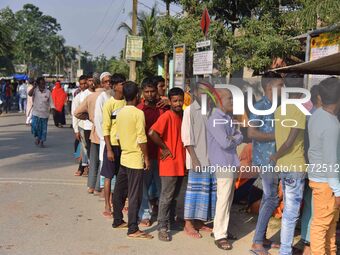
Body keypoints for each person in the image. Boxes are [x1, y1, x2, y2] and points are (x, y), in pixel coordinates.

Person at [270, 73, 307, 255]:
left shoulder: (280, 109)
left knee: (288, 210)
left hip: (284, 166)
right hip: (295, 166)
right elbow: (289, 142)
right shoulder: (299, 111)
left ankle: (285, 248)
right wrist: (276, 155)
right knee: (292, 212)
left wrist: (277, 157)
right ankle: (285, 250)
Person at [112, 81, 153, 239]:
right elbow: (142, 138)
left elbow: (118, 136)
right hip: (135, 158)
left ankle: (117, 220)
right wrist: (147, 158)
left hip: (124, 156)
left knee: (120, 190)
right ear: (138, 95)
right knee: (134, 194)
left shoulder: (120, 112)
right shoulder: (138, 113)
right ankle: (133, 228)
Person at [249, 71, 284, 255]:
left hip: (275, 159)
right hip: (265, 160)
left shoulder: (277, 106)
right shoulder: (260, 105)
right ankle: (256, 243)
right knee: (271, 198)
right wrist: (276, 136)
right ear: (270, 87)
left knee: (267, 198)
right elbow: (252, 133)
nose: (283, 88)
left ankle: (261, 237)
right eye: (280, 85)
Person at [206, 88, 243, 250]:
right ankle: (220, 234)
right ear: (220, 101)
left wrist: (234, 137)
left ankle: (221, 229)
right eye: (230, 99)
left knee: (227, 198)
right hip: (222, 162)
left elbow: (240, 135)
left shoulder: (227, 117)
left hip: (230, 161)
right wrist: (235, 137)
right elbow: (225, 142)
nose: (232, 102)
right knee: (223, 198)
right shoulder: (215, 118)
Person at [308, 77, 340, 255]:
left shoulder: (317, 115)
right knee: (322, 226)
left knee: (329, 226)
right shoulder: (331, 124)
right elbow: (331, 161)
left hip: (319, 178)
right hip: (327, 183)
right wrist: (338, 191)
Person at [149, 87, 186, 242]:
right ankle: (162, 227)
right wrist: (164, 148)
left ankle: (171, 221)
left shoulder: (183, 115)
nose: (178, 103)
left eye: (180, 100)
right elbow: (152, 133)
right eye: (175, 101)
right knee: (166, 196)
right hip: (170, 163)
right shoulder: (167, 116)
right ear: (169, 101)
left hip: (180, 163)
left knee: (174, 196)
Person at [181, 82, 216, 238]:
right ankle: (188, 224)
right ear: (194, 93)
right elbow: (187, 138)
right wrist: (194, 160)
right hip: (197, 159)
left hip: (210, 159)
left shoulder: (210, 111)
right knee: (193, 193)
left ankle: (199, 222)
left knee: (206, 192)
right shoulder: (189, 111)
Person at [137, 78, 166, 226]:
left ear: (156, 92)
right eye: (147, 92)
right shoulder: (139, 109)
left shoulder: (162, 108)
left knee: (162, 188)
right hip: (145, 155)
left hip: (161, 155)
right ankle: (144, 214)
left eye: (152, 91)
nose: (149, 94)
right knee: (144, 187)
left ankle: (162, 216)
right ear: (142, 92)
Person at [74, 73, 106, 194]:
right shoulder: (108, 96)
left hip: (94, 131)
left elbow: (77, 113)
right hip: (105, 133)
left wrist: (90, 118)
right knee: (102, 161)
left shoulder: (91, 97)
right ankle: (98, 187)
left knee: (93, 160)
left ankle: (91, 186)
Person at [300, 84, 322, 255]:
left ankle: (307, 242)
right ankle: (309, 245)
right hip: (318, 169)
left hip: (309, 168)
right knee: (315, 206)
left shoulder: (309, 117)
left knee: (310, 204)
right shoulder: (321, 118)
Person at [101, 73, 126, 218]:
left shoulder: (127, 102)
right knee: (108, 176)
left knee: (123, 177)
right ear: (115, 86)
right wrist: (109, 149)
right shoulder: (109, 104)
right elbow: (106, 128)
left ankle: (121, 203)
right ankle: (107, 204)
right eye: (121, 83)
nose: (123, 86)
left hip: (124, 146)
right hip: (112, 145)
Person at [28, 77, 54, 148]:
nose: (43, 85)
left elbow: (51, 102)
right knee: (35, 127)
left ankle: (42, 141)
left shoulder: (48, 92)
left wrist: (52, 109)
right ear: (38, 84)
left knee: (43, 129)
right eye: (41, 83)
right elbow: (29, 94)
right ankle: (37, 137)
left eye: (44, 83)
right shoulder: (35, 90)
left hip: (44, 114)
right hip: (36, 113)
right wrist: (34, 87)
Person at [72, 75, 90, 177]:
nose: (84, 85)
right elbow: (74, 113)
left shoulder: (93, 94)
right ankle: (82, 167)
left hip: (91, 126)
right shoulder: (78, 97)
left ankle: (85, 167)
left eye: (85, 83)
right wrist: (76, 130)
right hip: (81, 125)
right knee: (83, 147)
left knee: (87, 148)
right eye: (81, 84)